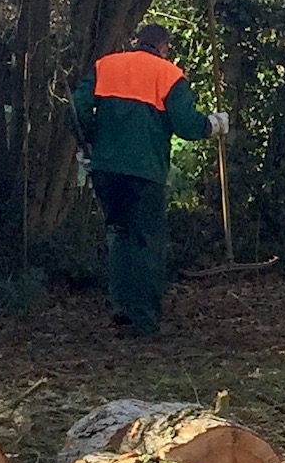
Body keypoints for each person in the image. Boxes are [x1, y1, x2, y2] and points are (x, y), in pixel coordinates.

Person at [73, 22, 227, 338]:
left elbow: (77, 109)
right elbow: (185, 124)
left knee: (119, 235)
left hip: (105, 168)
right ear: (164, 47)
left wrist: (90, 142)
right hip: (145, 171)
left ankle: (121, 306)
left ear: (135, 40)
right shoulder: (167, 74)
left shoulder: (106, 65)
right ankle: (145, 319)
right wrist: (213, 125)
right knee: (147, 242)